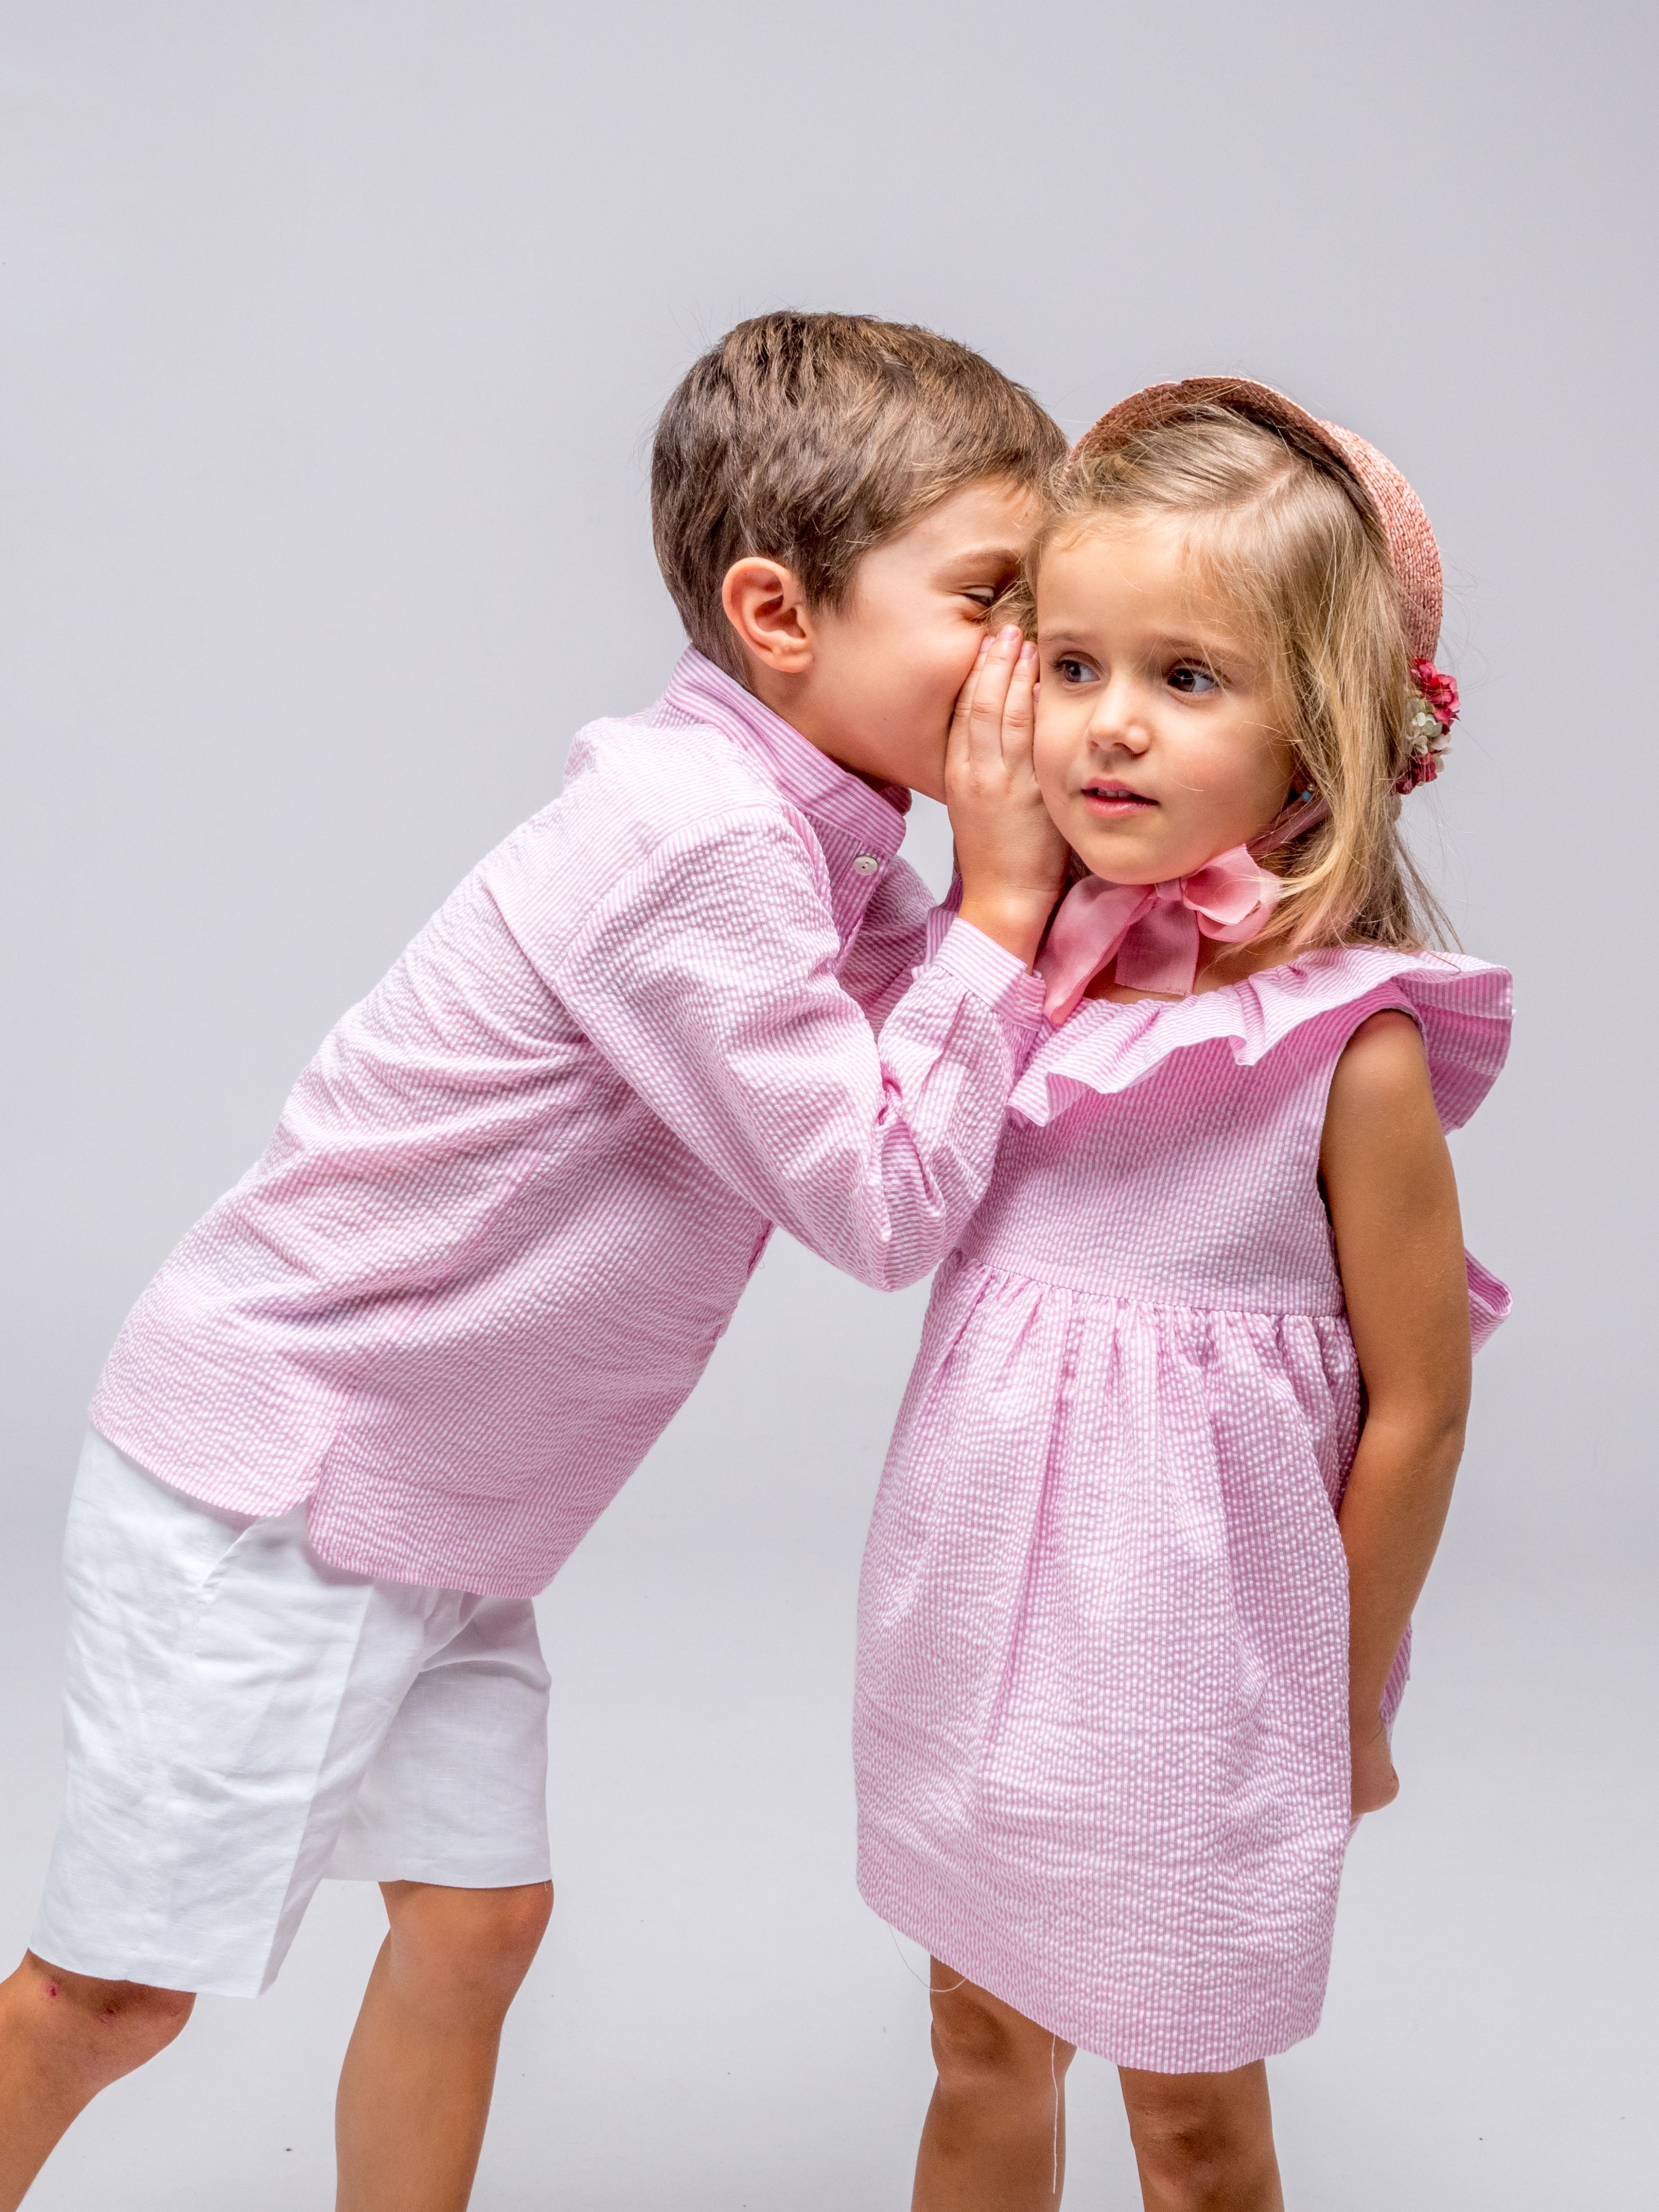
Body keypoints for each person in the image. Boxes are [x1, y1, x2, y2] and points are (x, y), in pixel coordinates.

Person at [0, 312, 1071, 2210]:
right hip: (287, 1489)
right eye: (992, 601)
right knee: (106, 1994)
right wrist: (1003, 898)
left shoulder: (812, 839)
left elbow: (971, 1039)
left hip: (431, 1511)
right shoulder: (698, 846)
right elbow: (887, 1197)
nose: (1029, 664)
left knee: (478, 1924)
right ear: (778, 611)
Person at [853, 378, 1513, 2210]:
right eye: (1070, 665)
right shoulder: (1000, 971)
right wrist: (988, 910)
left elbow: (1422, 1399)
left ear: (1323, 737)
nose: (1108, 728)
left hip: (1201, 1671)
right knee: (977, 2039)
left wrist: (1341, 1688)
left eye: (1186, 678)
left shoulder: (1340, 1051)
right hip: (971, 1616)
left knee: (1192, 2119)